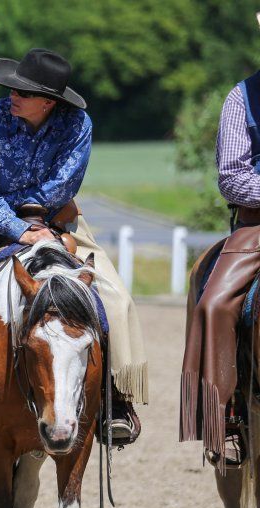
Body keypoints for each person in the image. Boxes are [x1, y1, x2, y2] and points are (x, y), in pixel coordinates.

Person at [0, 48, 147, 443]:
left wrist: (19, 214)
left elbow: (62, 186)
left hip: (58, 219)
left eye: (22, 91)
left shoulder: (77, 124)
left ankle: (117, 400)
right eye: (12, 88)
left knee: (116, 298)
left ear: (48, 101)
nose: (11, 95)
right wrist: (17, 228)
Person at [181, 22, 260, 464]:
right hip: (257, 224)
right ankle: (224, 418)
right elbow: (232, 177)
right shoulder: (242, 98)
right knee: (213, 304)